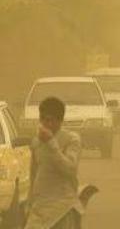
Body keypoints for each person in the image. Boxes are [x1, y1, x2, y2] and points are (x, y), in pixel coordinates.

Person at [25, 97, 82, 229]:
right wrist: (29, 202)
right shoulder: (37, 142)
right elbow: (34, 174)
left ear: (60, 120)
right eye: (43, 119)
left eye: (50, 119)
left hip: (62, 208)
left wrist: (51, 143)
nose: (46, 123)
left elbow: (70, 169)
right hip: (39, 208)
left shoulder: (72, 140)